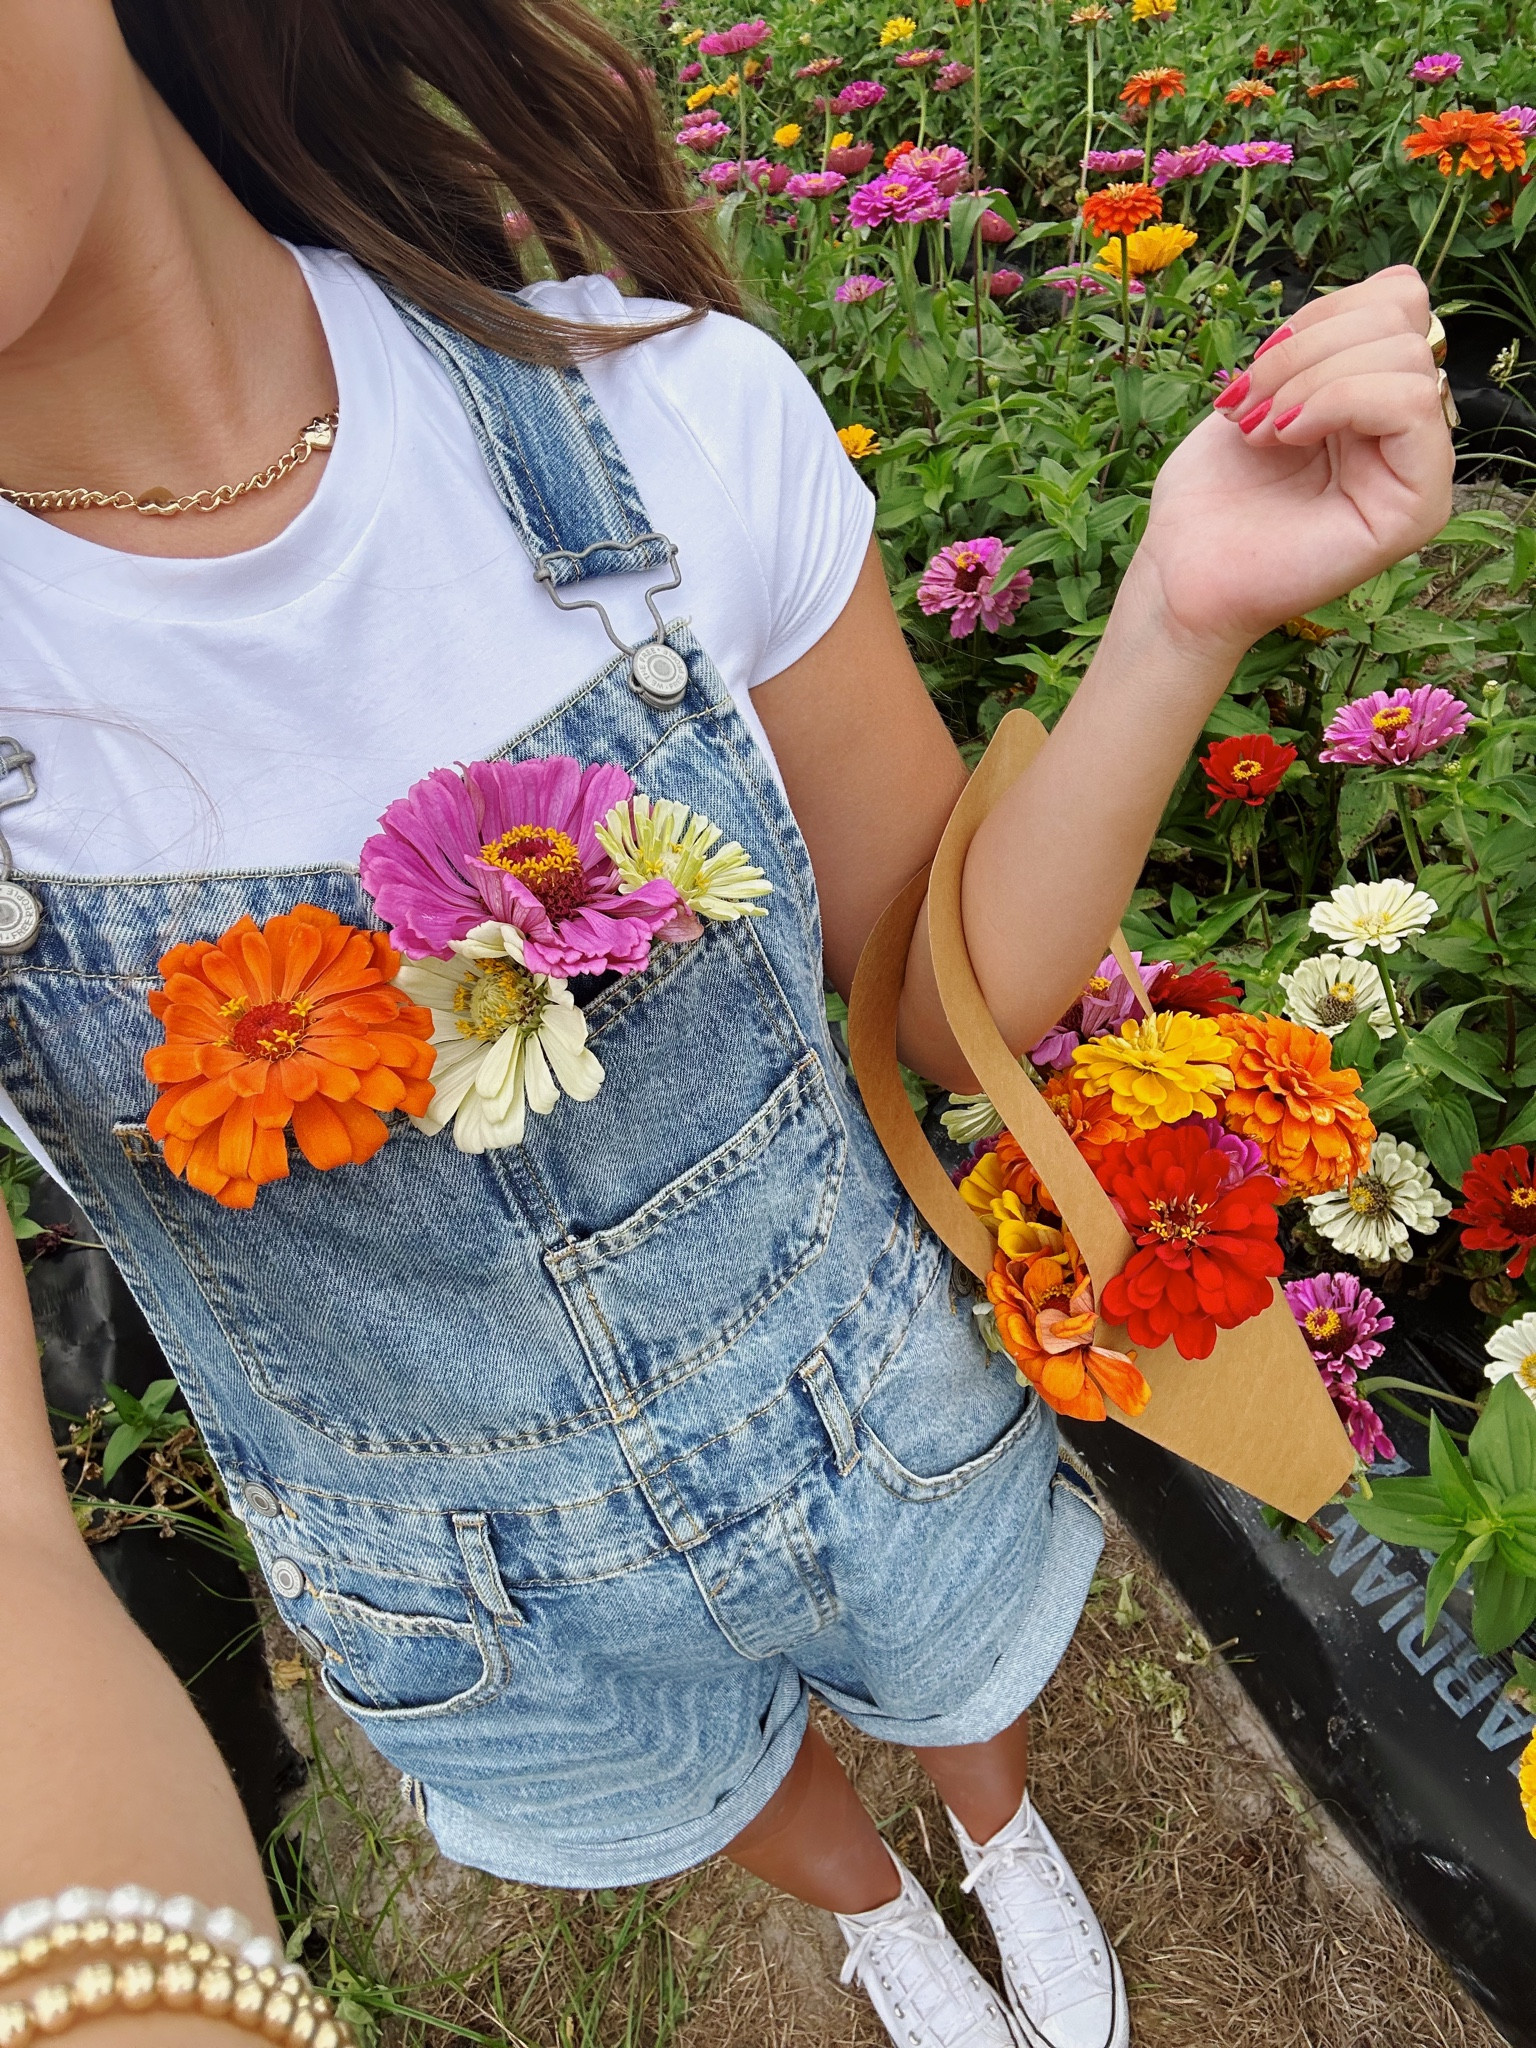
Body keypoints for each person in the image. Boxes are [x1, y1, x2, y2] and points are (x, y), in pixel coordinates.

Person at [0, 3, 1452, 2045]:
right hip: (467, 1582)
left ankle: (996, 1832)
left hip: (851, 1380)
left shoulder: (659, 420)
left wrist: (1180, 611)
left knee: (956, 1659)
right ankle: (876, 1912)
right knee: (697, 1763)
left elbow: (945, 1016)